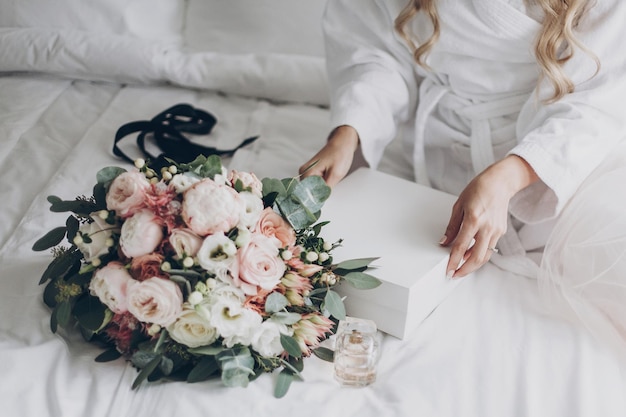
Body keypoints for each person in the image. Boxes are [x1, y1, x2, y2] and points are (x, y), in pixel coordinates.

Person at [299, 0, 626, 356]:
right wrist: (351, 131)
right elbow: (379, 47)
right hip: (446, 145)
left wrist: (511, 174)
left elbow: (603, 95)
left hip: (561, 152)